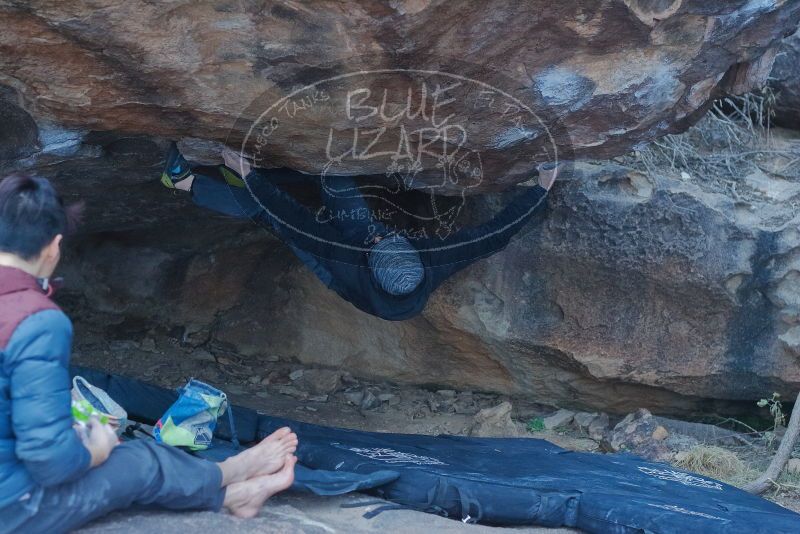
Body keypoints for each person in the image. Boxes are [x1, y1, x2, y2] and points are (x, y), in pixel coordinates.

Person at [0, 174, 299, 534]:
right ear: (53, 247)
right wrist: (96, 448)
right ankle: (232, 485)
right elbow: (50, 463)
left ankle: (231, 483)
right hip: (15, 508)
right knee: (138, 461)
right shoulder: (35, 319)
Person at [162, 144, 559, 321]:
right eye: (388, 237)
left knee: (271, 213)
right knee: (335, 179)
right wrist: (542, 189)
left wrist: (251, 179)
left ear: (368, 260)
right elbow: (494, 235)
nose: (380, 235)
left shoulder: (345, 262)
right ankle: (259, 173)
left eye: (376, 242)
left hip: (333, 266)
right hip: (376, 255)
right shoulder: (435, 260)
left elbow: (288, 219)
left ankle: (183, 182)